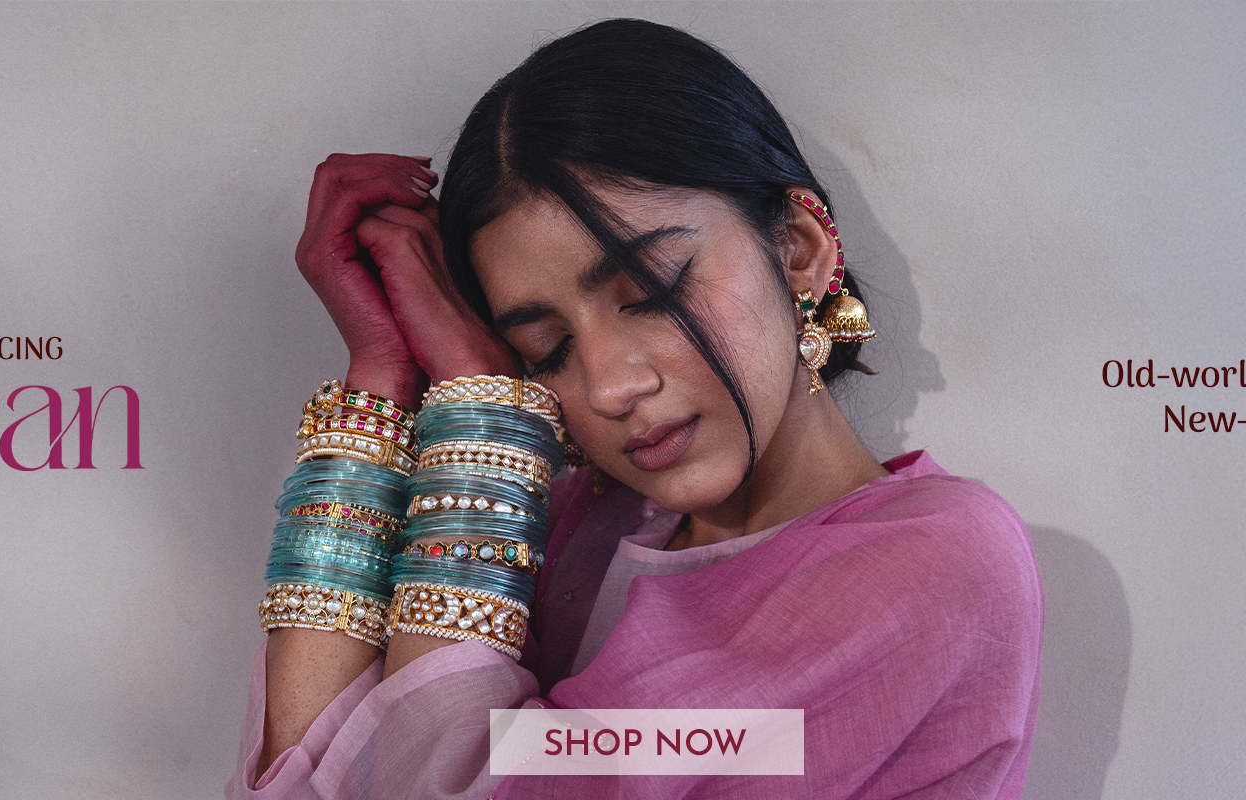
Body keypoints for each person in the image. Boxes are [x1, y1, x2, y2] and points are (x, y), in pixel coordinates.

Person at [232, 19, 1041, 799]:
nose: (607, 388)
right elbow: (299, 785)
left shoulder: (933, 564)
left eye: (652, 291)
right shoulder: (563, 525)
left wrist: (478, 407)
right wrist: (384, 381)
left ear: (798, 247)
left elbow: (454, 787)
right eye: (547, 348)